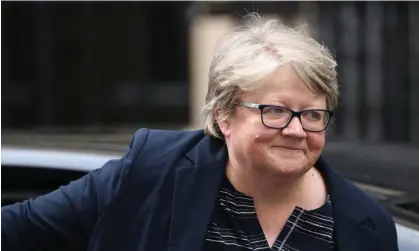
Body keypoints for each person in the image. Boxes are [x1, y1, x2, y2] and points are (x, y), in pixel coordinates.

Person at [2, 15, 398, 251]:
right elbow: (19, 231)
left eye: (312, 114)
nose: (296, 130)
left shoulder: (366, 224)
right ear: (224, 116)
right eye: (275, 111)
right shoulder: (151, 170)